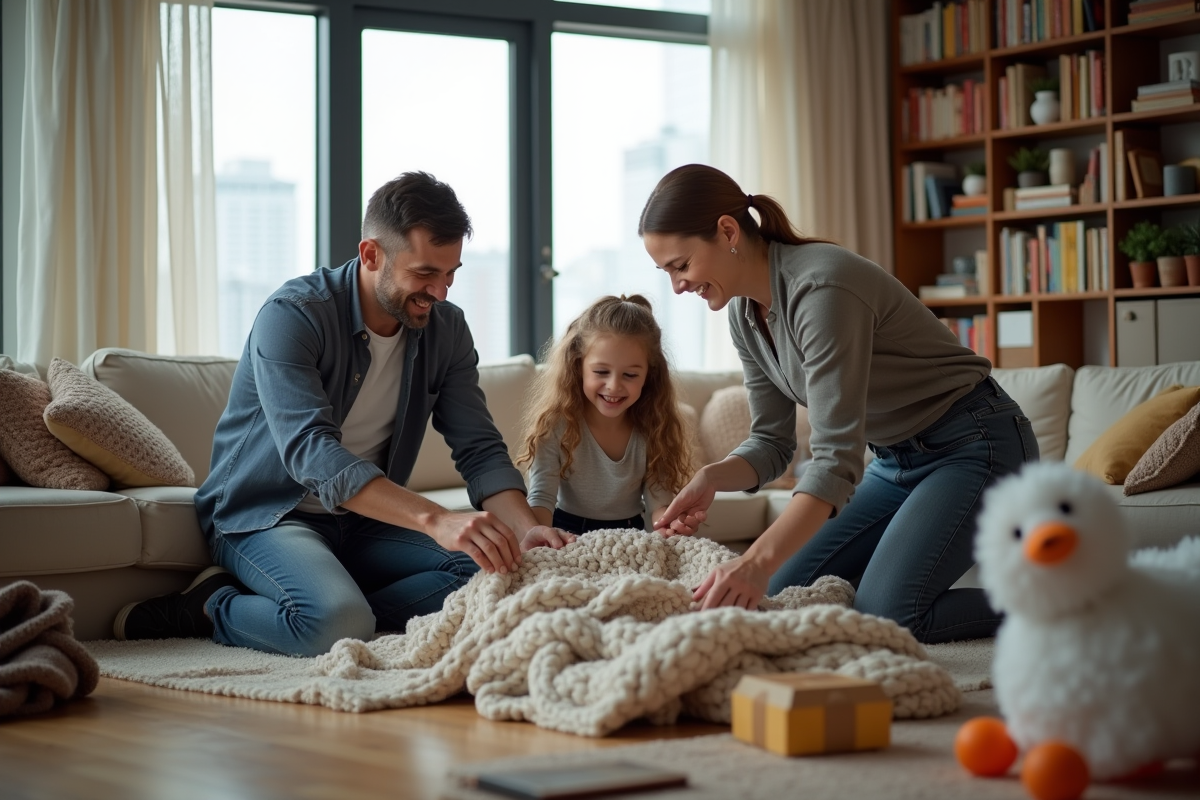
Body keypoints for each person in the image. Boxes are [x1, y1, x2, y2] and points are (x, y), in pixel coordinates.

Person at [114, 172, 573, 656]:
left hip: (363, 525)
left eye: (450, 273)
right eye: (424, 274)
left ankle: (334, 599)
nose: (440, 293)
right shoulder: (293, 315)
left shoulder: (447, 329)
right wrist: (436, 519)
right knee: (334, 623)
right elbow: (312, 451)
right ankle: (212, 606)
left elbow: (478, 448)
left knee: (498, 570)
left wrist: (527, 530)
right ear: (371, 255)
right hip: (266, 515)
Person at [639, 164, 1039, 644]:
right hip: (895, 462)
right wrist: (711, 479)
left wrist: (753, 561)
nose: (678, 286)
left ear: (727, 231)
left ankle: (1065, 600)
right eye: (667, 273)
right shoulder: (745, 316)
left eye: (681, 266)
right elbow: (771, 442)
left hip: (976, 445)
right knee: (787, 591)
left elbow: (834, 460)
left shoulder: (822, 288)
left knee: (891, 612)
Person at [516, 294, 702, 537]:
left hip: (630, 535)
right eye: (601, 372)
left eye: (630, 375)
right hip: (566, 535)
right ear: (577, 366)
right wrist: (537, 534)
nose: (614, 386)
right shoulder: (555, 426)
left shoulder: (654, 427)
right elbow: (541, 498)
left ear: (649, 375)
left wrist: (670, 525)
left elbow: (659, 504)